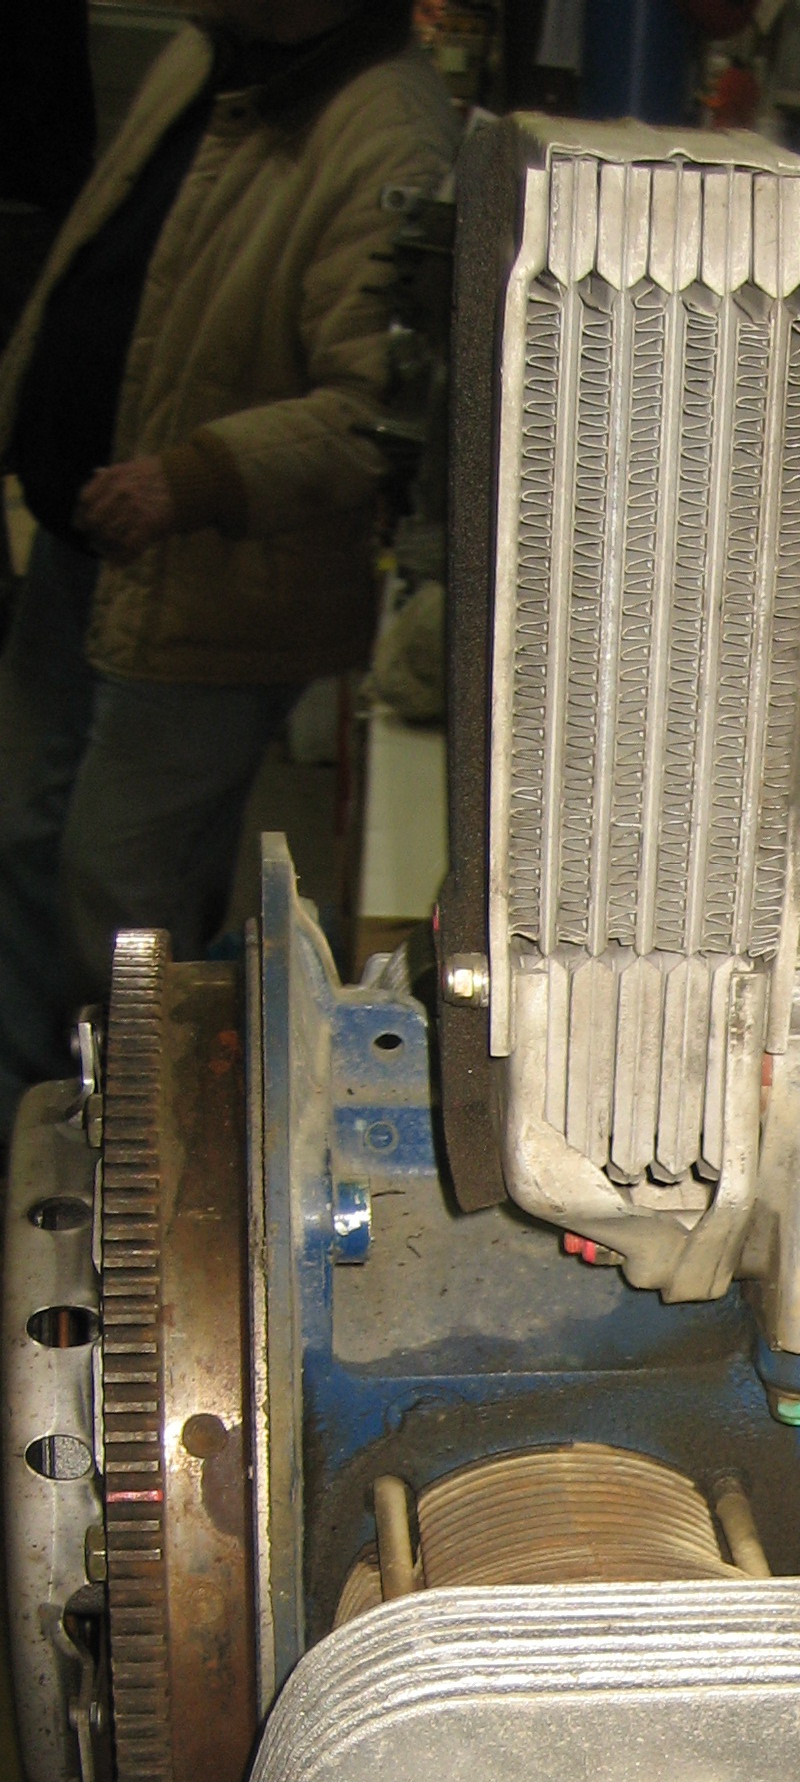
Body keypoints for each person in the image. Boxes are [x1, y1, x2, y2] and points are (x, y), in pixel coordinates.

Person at [0, 1, 455, 1130]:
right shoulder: (207, 53)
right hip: (81, 544)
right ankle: (32, 1123)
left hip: (212, 583)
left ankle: (135, 1154)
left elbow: (377, 408)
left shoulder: (387, 127)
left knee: (120, 901)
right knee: (22, 840)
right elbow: (93, 257)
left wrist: (195, 478)